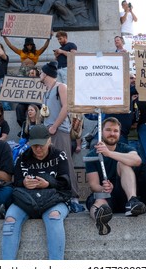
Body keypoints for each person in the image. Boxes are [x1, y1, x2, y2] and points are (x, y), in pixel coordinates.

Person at [2, 124, 71, 260]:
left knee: (54, 216)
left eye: (41, 145)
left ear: (49, 141)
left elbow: (66, 185)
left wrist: (48, 183)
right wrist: (23, 183)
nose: (38, 149)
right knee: (10, 219)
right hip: (27, 199)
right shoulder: (23, 157)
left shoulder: (60, 156)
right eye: (34, 146)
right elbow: (15, 182)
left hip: (54, 200)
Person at [85, 117, 146, 235]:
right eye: (108, 130)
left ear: (119, 133)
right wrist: (103, 188)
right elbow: (93, 185)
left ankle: (132, 202)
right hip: (107, 197)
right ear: (101, 132)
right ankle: (99, 219)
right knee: (97, 200)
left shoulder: (125, 148)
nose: (112, 133)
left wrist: (109, 153)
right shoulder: (92, 155)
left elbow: (137, 160)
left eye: (115, 131)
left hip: (124, 194)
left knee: (123, 162)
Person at [40, 61, 82, 211]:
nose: (40, 74)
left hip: (59, 131)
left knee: (66, 161)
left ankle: (74, 196)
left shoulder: (61, 87)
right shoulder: (46, 91)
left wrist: (55, 126)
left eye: (41, 72)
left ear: (46, 73)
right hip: (49, 131)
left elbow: (67, 107)